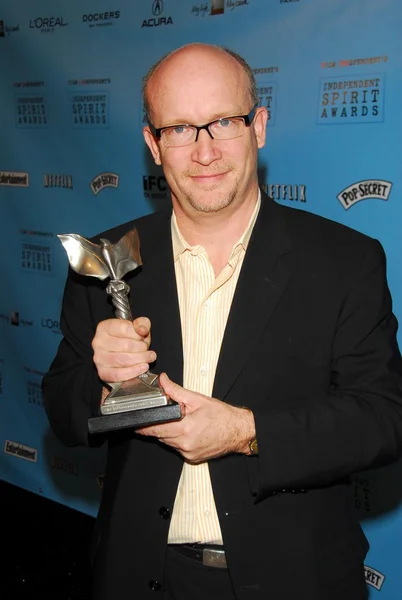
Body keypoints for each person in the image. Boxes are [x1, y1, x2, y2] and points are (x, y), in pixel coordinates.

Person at [42, 43, 402, 600]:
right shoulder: (108, 261)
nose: (204, 151)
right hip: (138, 575)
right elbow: (63, 413)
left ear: (258, 126)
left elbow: (383, 419)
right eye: (180, 128)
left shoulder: (344, 261)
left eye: (223, 122)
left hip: (296, 580)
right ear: (152, 145)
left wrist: (244, 432)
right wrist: (103, 380)